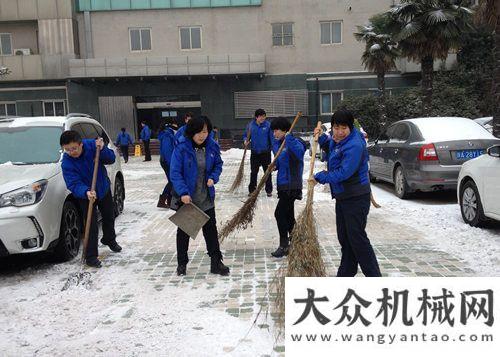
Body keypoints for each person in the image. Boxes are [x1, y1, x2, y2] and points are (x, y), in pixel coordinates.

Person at [312, 109, 381, 277]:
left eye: (344, 128)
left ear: (350, 128)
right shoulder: (339, 139)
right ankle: (345, 275)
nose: (340, 132)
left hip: (356, 197)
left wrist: (320, 177)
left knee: (357, 239)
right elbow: (332, 147)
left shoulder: (354, 145)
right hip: (344, 196)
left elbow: (344, 172)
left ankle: (375, 278)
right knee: (346, 239)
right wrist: (321, 138)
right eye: (336, 127)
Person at [170, 116, 230, 277]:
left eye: (204, 131)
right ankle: (182, 264)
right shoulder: (182, 148)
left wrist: (213, 177)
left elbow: (218, 164)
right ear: (191, 132)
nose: (202, 135)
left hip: (206, 197)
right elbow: (175, 172)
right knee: (184, 231)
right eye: (198, 132)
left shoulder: (212, 146)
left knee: (210, 231)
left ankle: (216, 262)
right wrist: (182, 192)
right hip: (188, 199)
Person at [60, 130, 122, 268]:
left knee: (109, 215)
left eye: (74, 148)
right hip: (85, 195)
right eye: (67, 150)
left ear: (81, 144)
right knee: (90, 224)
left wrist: (103, 148)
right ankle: (91, 256)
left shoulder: (93, 146)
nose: (72, 152)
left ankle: (109, 239)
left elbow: (111, 159)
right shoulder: (67, 163)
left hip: (102, 186)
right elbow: (73, 183)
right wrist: (86, 192)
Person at [270, 117, 306, 258]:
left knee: (279, 213)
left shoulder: (294, 142)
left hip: (292, 185)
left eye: (276, 130)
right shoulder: (281, 144)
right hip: (283, 185)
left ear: (285, 130)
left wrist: (289, 139)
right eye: (273, 131)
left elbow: (299, 154)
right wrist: (275, 166)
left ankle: (284, 245)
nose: (274, 133)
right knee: (289, 216)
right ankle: (297, 243)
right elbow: (283, 162)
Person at [243, 108, 274, 197]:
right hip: (255, 152)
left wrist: (274, 149)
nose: (262, 118)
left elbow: (272, 138)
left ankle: (269, 190)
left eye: (264, 116)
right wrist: (246, 140)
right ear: (256, 117)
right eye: (261, 116)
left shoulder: (268, 125)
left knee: (267, 172)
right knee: (253, 172)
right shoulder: (250, 126)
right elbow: (246, 135)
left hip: (266, 152)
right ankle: (252, 190)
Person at [157, 118, 177, 208]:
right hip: (167, 161)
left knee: (172, 181)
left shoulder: (169, 134)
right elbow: (167, 151)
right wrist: (171, 164)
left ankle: (168, 200)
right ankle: (163, 200)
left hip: (168, 160)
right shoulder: (167, 135)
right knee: (172, 181)